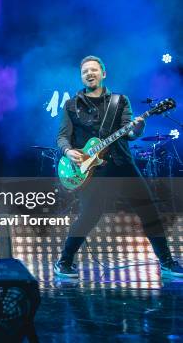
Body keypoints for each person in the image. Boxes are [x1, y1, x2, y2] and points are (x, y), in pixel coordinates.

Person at [54, 56, 182, 278]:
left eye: (94, 70)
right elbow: (63, 136)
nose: (89, 73)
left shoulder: (119, 101)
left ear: (103, 74)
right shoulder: (71, 105)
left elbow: (130, 133)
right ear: (81, 76)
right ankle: (64, 261)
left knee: (148, 210)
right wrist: (68, 151)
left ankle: (167, 262)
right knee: (89, 216)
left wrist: (138, 128)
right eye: (85, 71)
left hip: (122, 163)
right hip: (91, 169)